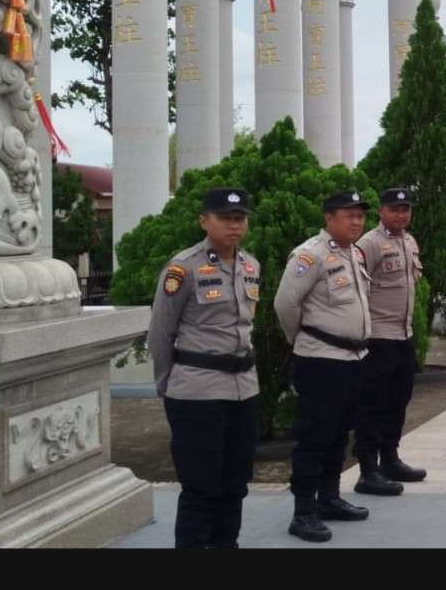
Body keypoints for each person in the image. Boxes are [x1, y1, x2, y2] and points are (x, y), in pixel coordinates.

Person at [146, 187, 262, 549]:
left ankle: (227, 544)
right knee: (200, 486)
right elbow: (160, 332)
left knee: (236, 482)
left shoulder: (250, 265)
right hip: (197, 392)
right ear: (204, 220)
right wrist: (167, 384)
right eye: (225, 218)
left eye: (240, 218)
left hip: (244, 389)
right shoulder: (184, 268)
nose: (234, 225)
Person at [273, 191, 374, 543]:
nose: (357, 221)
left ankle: (329, 498)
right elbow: (286, 304)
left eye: (361, 216)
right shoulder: (310, 255)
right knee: (314, 437)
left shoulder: (354, 254)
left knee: (339, 433)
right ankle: (303, 512)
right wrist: (302, 341)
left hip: (354, 359)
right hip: (321, 360)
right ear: (329, 218)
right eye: (350, 215)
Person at [352, 188, 427, 497]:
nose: (401, 214)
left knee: (398, 401)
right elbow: (357, 289)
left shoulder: (409, 241)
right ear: (381, 211)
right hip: (378, 339)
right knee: (373, 405)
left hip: (403, 336)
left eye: (405, 209)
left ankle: (390, 459)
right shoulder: (369, 243)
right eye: (395, 209)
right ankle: (368, 470)